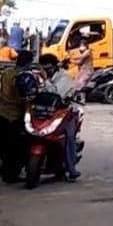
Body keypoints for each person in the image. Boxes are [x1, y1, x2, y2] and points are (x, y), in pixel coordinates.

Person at [37, 53, 81, 181]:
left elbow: (56, 93)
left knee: (69, 138)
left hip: (64, 112)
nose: (46, 71)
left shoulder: (64, 78)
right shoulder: (39, 76)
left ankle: (71, 169)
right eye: (44, 68)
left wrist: (45, 80)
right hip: (45, 111)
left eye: (48, 68)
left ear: (55, 66)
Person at [0, 51, 33, 183]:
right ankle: (13, 174)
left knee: (5, 144)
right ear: (28, 63)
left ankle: (6, 172)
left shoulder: (6, 73)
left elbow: (3, 93)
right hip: (17, 115)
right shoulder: (25, 76)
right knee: (19, 146)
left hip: (4, 113)